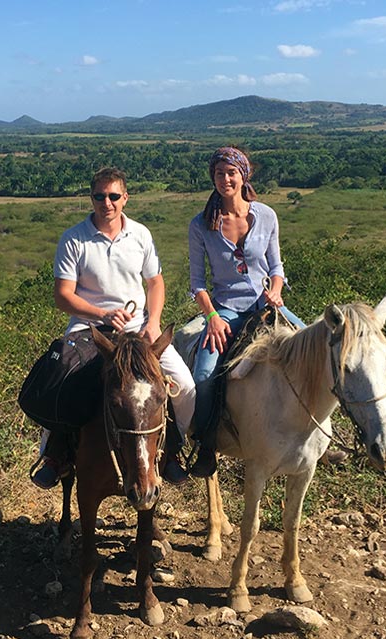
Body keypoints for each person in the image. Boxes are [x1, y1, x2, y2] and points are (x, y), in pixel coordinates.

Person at [31, 166, 195, 489]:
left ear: (125, 198)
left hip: (138, 329)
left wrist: (153, 322)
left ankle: (172, 449)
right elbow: (63, 296)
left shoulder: (140, 235)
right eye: (100, 196)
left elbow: (155, 282)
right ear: (91, 198)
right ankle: (54, 453)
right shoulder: (74, 239)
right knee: (60, 378)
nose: (107, 202)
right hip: (89, 327)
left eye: (113, 196)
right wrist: (102, 315)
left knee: (186, 386)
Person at [187, 147, 305, 478]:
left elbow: (276, 266)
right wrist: (211, 317)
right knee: (203, 375)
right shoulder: (201, 225)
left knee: (318, 346)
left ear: (243, 176)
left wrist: (276, 290)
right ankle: (206, 443)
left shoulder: (266, 216)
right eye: (219, 173)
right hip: (225, 309)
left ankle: (318, 436)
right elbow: (197, 283)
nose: (225, 179)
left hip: (265, 306)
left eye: (231, 173)